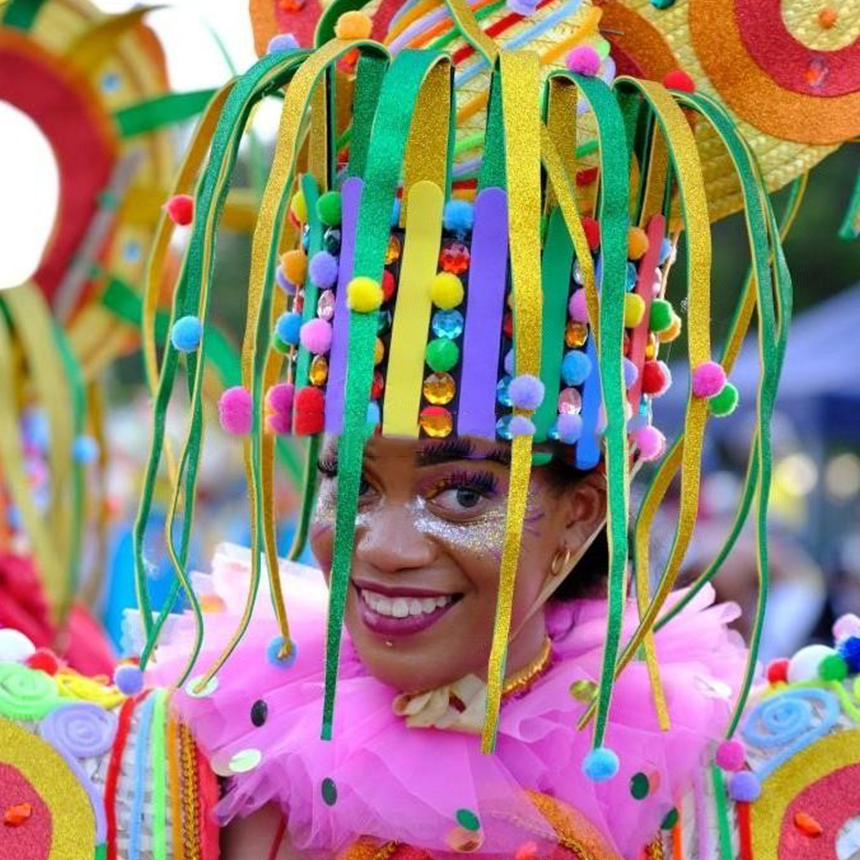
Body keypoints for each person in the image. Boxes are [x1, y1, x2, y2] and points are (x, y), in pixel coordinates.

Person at [2, 1, 860, 858]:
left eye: (462, 490)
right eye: (355, 480)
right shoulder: (197, 768)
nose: (384, 545)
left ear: (581, 514)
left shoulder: (713, 799)